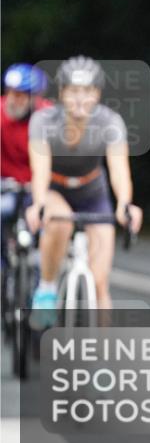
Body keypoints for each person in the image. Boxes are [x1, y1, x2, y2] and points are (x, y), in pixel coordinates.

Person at [25, 56, 143, 327]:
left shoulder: (110, 122)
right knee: (60, 221)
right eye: (74, 91)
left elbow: (118, 170)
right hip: (56, 189)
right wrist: (39, 204)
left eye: (88, 91)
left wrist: (126, 204)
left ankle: (101, 357)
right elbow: (40, 170)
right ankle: (46, 287)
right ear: (62, 93)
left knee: (100, 282)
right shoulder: (43, 121)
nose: (80, 98)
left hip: (93, 193)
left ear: (97, 94)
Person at [1, 64, 53, 301]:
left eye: (21, 95)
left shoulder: (48, 117)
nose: (14, 100)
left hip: (38, 187)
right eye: (11, 93)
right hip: (6, 184)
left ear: (34, 98)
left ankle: (44, 283)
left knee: (48, 223)